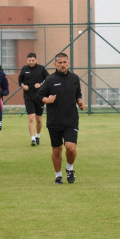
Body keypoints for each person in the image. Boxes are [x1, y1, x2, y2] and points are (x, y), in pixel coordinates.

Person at [37, 52, 85, 185]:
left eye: (65, 62)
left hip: (71, 120)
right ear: (55, 64)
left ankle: (70, 168)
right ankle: (58, 176)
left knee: (71, 147)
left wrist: (80, 102)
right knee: (57, 150)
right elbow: (39, 95)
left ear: (68, 63)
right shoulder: (50, 80)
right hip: (54, 121)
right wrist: (47, 100)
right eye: (60, 63)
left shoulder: (74, 78)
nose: (62, 65)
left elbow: (78, 94)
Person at [19, 52, 49, 146]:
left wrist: (40, 84)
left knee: (39, 119)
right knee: (31, 118)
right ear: (27, 60)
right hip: (28, 97)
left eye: (33, 60)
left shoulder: (41, 68)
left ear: (36, 60)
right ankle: (32, 139)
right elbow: (20, 81)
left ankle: (37, 135)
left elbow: (48, 79)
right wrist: (23, 86)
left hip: (39, 97)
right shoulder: (24, 69)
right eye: (29, 60)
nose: (31, 62)